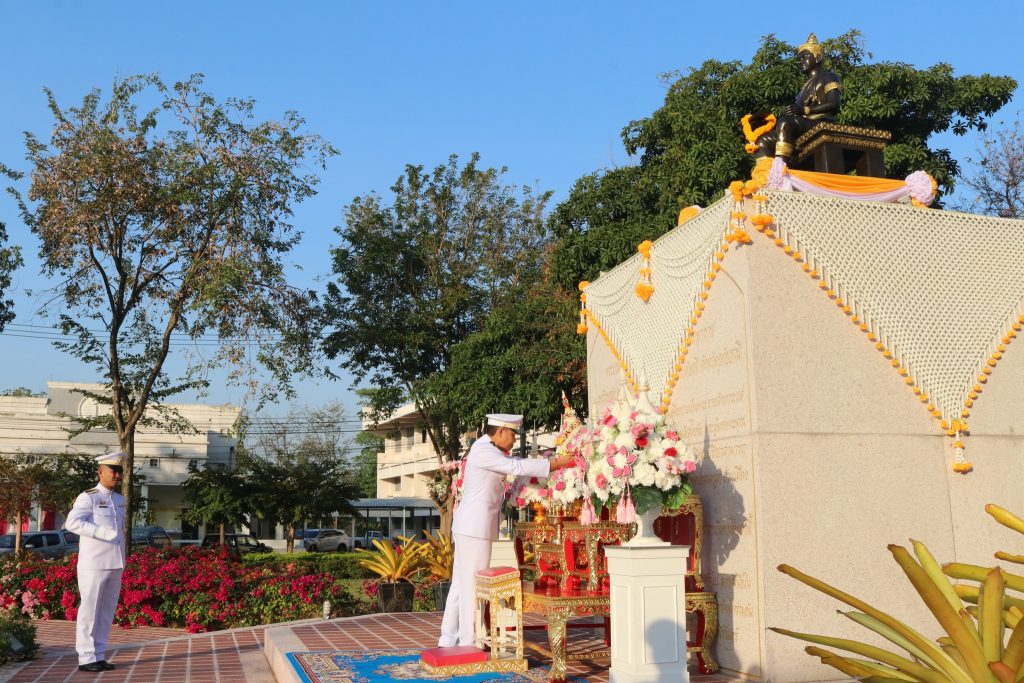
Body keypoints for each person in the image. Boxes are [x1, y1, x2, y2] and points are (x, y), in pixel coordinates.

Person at [438, 414, 575, 648]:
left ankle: (448, 638)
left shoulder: (487, 449)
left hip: (472, 526)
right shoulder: (484, 451)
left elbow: (514, 464)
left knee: (461, 583)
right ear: (500, 431)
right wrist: (556, 464)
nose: (514, 440)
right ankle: (468, 641)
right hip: (475, 528)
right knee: (471, 584)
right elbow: (516, 466)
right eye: (512, 434)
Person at [64, 453, 127, 673]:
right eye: (113, 470)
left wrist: (123, 558)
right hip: (94, 563)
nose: (117, 475)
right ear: (100, 472)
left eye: (119, 471)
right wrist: (102, 532)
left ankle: (98, 655)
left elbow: (120, 532)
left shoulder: (119, 500)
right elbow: (72, 523)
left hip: (115, 562)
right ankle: (86, 657)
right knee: (89, 611)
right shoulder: (88, 497)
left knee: (106, 613)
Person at [758, 33, 841, 162]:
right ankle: (764, 172)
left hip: (822, 122)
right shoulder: (802, 90)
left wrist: (805, 110)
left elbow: (834, 103)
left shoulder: (828, 76)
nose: (801, 61)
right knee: (763, 140)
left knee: (785, 123)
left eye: (805, 57)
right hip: (804, 124)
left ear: (818, 57)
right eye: (800, 59)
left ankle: (780, 167)